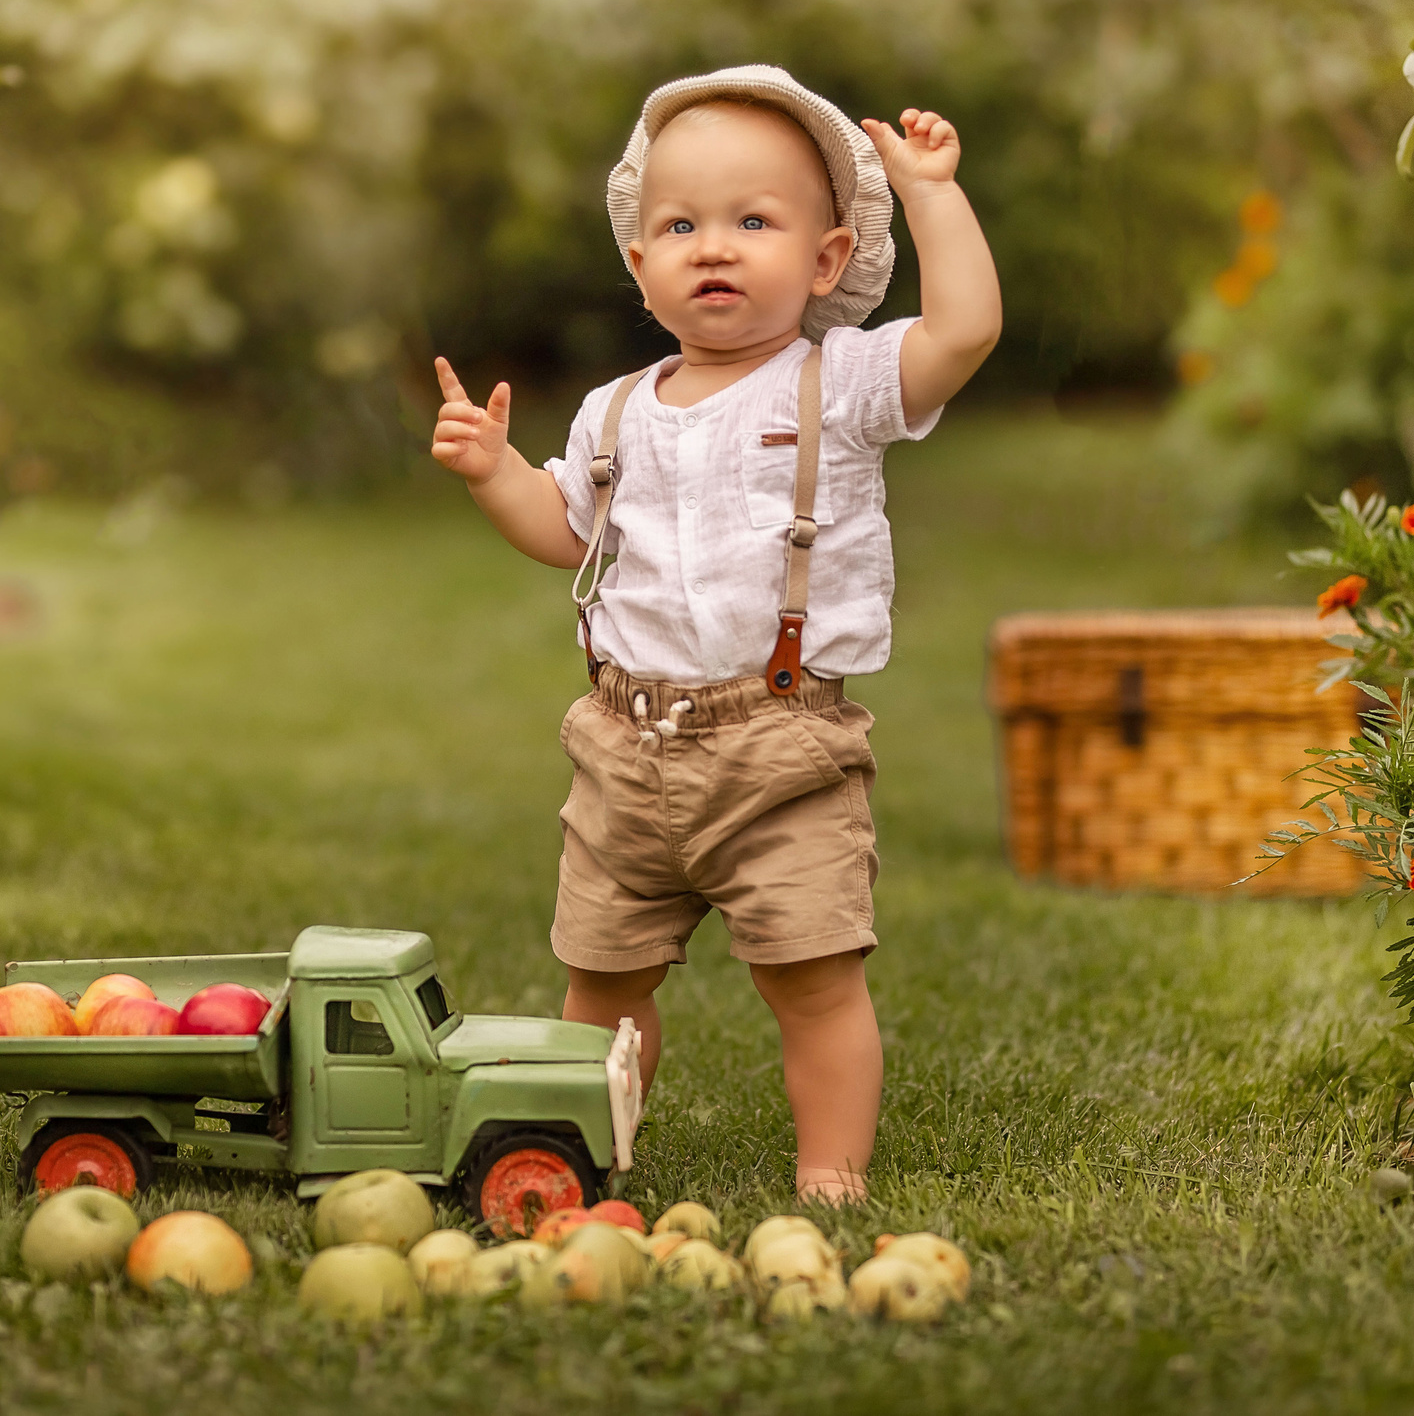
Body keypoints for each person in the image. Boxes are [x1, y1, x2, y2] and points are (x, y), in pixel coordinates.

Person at [428, 65, 1001, 1202]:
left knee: (814, 976)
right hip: (622, 747)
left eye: (753, 221)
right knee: (600, 981)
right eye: (681, 226)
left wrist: (931, 192)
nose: (715, 247)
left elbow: (965, 330)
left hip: (780, 747)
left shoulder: (838, 384)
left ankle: (830, 1176)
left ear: (826, 260)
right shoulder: (615, 410)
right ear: (641, 268)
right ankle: (580, 1155)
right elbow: (565, 532)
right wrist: (496, 473)